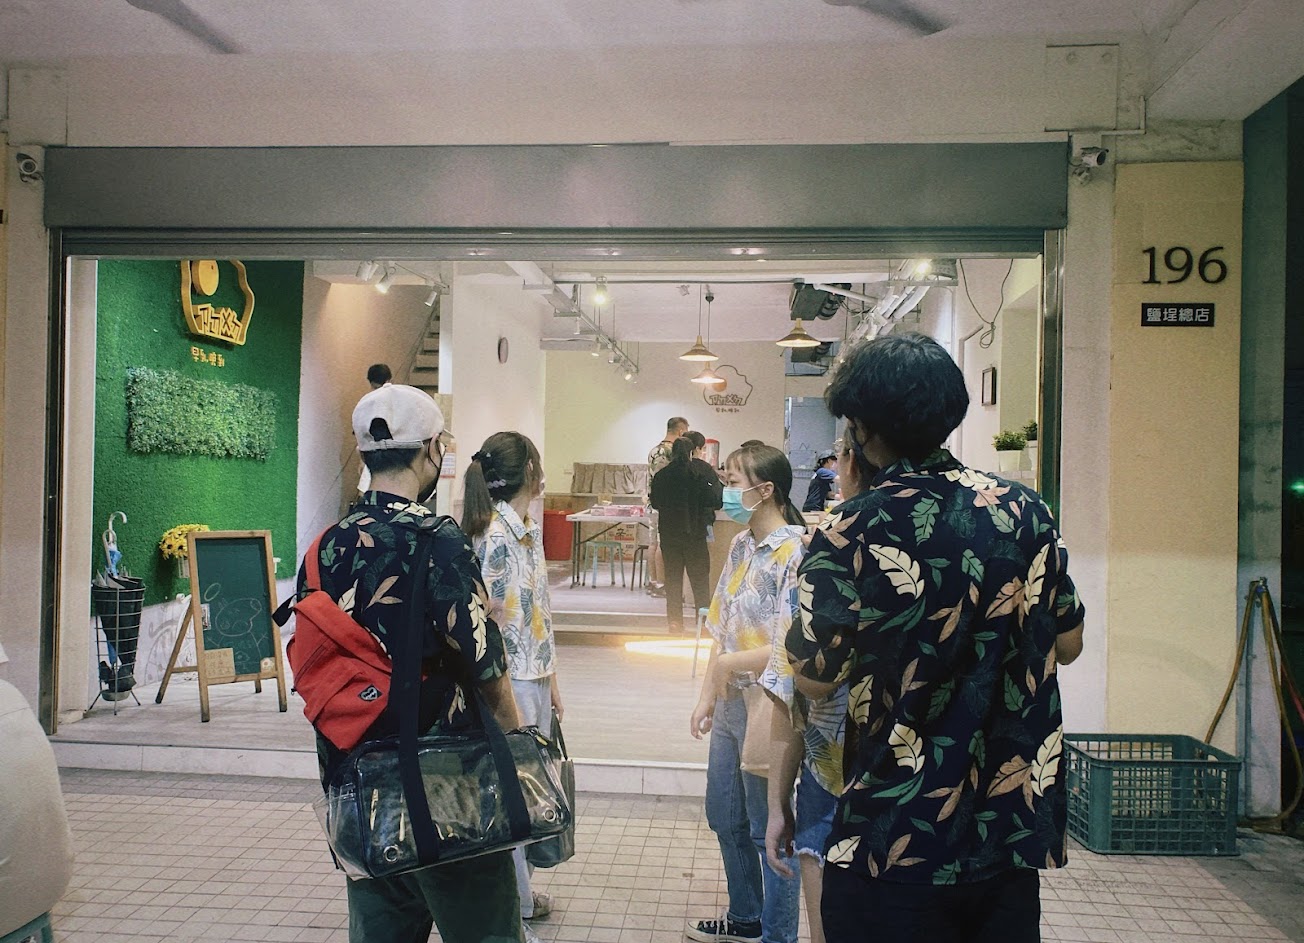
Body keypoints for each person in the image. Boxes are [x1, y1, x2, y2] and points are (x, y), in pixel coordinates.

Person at [785, 333, 1086, 943]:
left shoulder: (849, 528)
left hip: (892, 832)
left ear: (863, 430)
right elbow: (1069, 642)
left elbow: (815, 675)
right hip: (1004, 828)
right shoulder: (1025, 511)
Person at [299, 384, 526, 943]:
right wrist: (518, 745)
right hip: (447, 785)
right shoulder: (438, 540)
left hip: (359, 781)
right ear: (432, 450)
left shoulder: (326, 545)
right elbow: (485, 666)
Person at [688, 444, 806, 943]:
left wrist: (730, 664)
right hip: (730, 702)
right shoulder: (740, 544)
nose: (726, 490)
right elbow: (720, 625)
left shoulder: (795, 551)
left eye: (734, 480)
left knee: (768, 830)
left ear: (765, 490)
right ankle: (745, 917)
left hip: (769, 707)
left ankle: (777, 933)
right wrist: (707, 694)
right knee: (725, 816)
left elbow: (791, 644)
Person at [763, 435, 875, 943]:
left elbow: (801, 684)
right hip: (963, 793)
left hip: (837, 779)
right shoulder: (1008, 515)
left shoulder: (827, 548)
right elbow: (1067, 642)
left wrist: (777, 805)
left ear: (851, 460)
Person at [462, 431, 563, 927]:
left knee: (528, 789)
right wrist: (510, 698)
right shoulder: (496, 537)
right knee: (512, 794)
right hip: (511, 684)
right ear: (528, 472)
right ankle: (512, 912)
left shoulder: (524, 529)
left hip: (533, 675)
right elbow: (492, 627)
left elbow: (537, 611)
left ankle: (521, 899)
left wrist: (553, 680)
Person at [649, 437, 722, 633]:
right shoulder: (702, 472)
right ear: (692, 452)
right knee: (700, 581)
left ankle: (674, 623)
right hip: (696, 534)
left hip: (669, 535)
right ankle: (703, 623)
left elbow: (655, 502)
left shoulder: (662, 475)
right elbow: (716, 500)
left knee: (673, 580)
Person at [645, 416, 690, 596]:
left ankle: (653, 581)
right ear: (681, 431)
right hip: (665, 505)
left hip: (652, 502)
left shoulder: (654, 450)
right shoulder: (670, 452)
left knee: (652, 543)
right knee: (662, 544)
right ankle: (662, 584)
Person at [357, 363, 393, 495]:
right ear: (389, 380)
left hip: (375, 451)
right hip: (393, 453)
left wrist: (362, 459)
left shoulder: (368, 402)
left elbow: (362, 432)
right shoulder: (398, 399)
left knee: (366, 491)